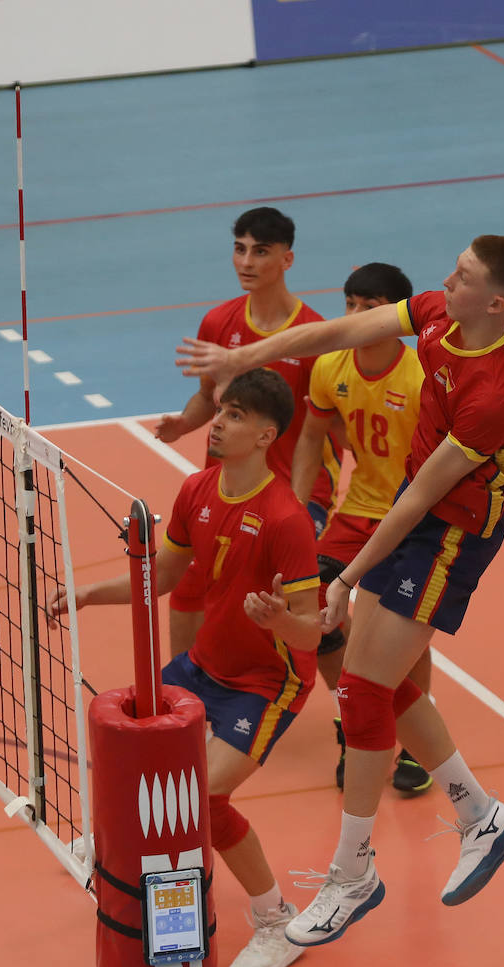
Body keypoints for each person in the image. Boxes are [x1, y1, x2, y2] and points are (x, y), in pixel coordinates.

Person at [177, 235, 504, 945]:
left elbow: (422, 499)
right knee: (373, 675)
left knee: (363, 688)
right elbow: (342, 330)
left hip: (452, 531)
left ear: (495, 302)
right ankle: (479, 815)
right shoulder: (440, 313)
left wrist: (343, 577)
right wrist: (248, 356)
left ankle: (354, 872)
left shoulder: (496, 395)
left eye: (461, 275)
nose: (444, 279)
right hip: (421, 506)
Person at [52, 368, 321, 967]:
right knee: (131, 760)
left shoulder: (286, 519)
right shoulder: (198, 489)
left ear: (265, 434)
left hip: (264, 683)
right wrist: (90, 592)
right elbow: (164, 578)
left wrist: (281, 620)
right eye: (220, 411)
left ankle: (277, 920)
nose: (218, 424)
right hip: (203, 665)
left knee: (203, 798)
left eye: (233, 416)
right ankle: (125, 856)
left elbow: (314, 633)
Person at [154, 207, 339, 660]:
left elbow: (320, 430)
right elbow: (206, 397)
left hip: (294, 493)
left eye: (260, 251)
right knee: (189, 585)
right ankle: (184, 691)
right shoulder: (219, 322)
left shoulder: (313, 335)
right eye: (239, 249)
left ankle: (345, 697)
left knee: (303, 601)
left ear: (287, 259)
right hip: (229, 486)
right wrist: (183, 423)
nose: (246, 262)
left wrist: (296, 503)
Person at [290, 263, 433, 794]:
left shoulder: (419, 377)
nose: (353, 317)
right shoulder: (331, 365)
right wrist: (298, 510)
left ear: (397, 316)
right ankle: (352, 720)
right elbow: (311, 437)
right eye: (349, 305)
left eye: (368, 307)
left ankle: (415, 745)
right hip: (358, 511)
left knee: (404, 628)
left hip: (414, 517)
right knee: (314, 604)